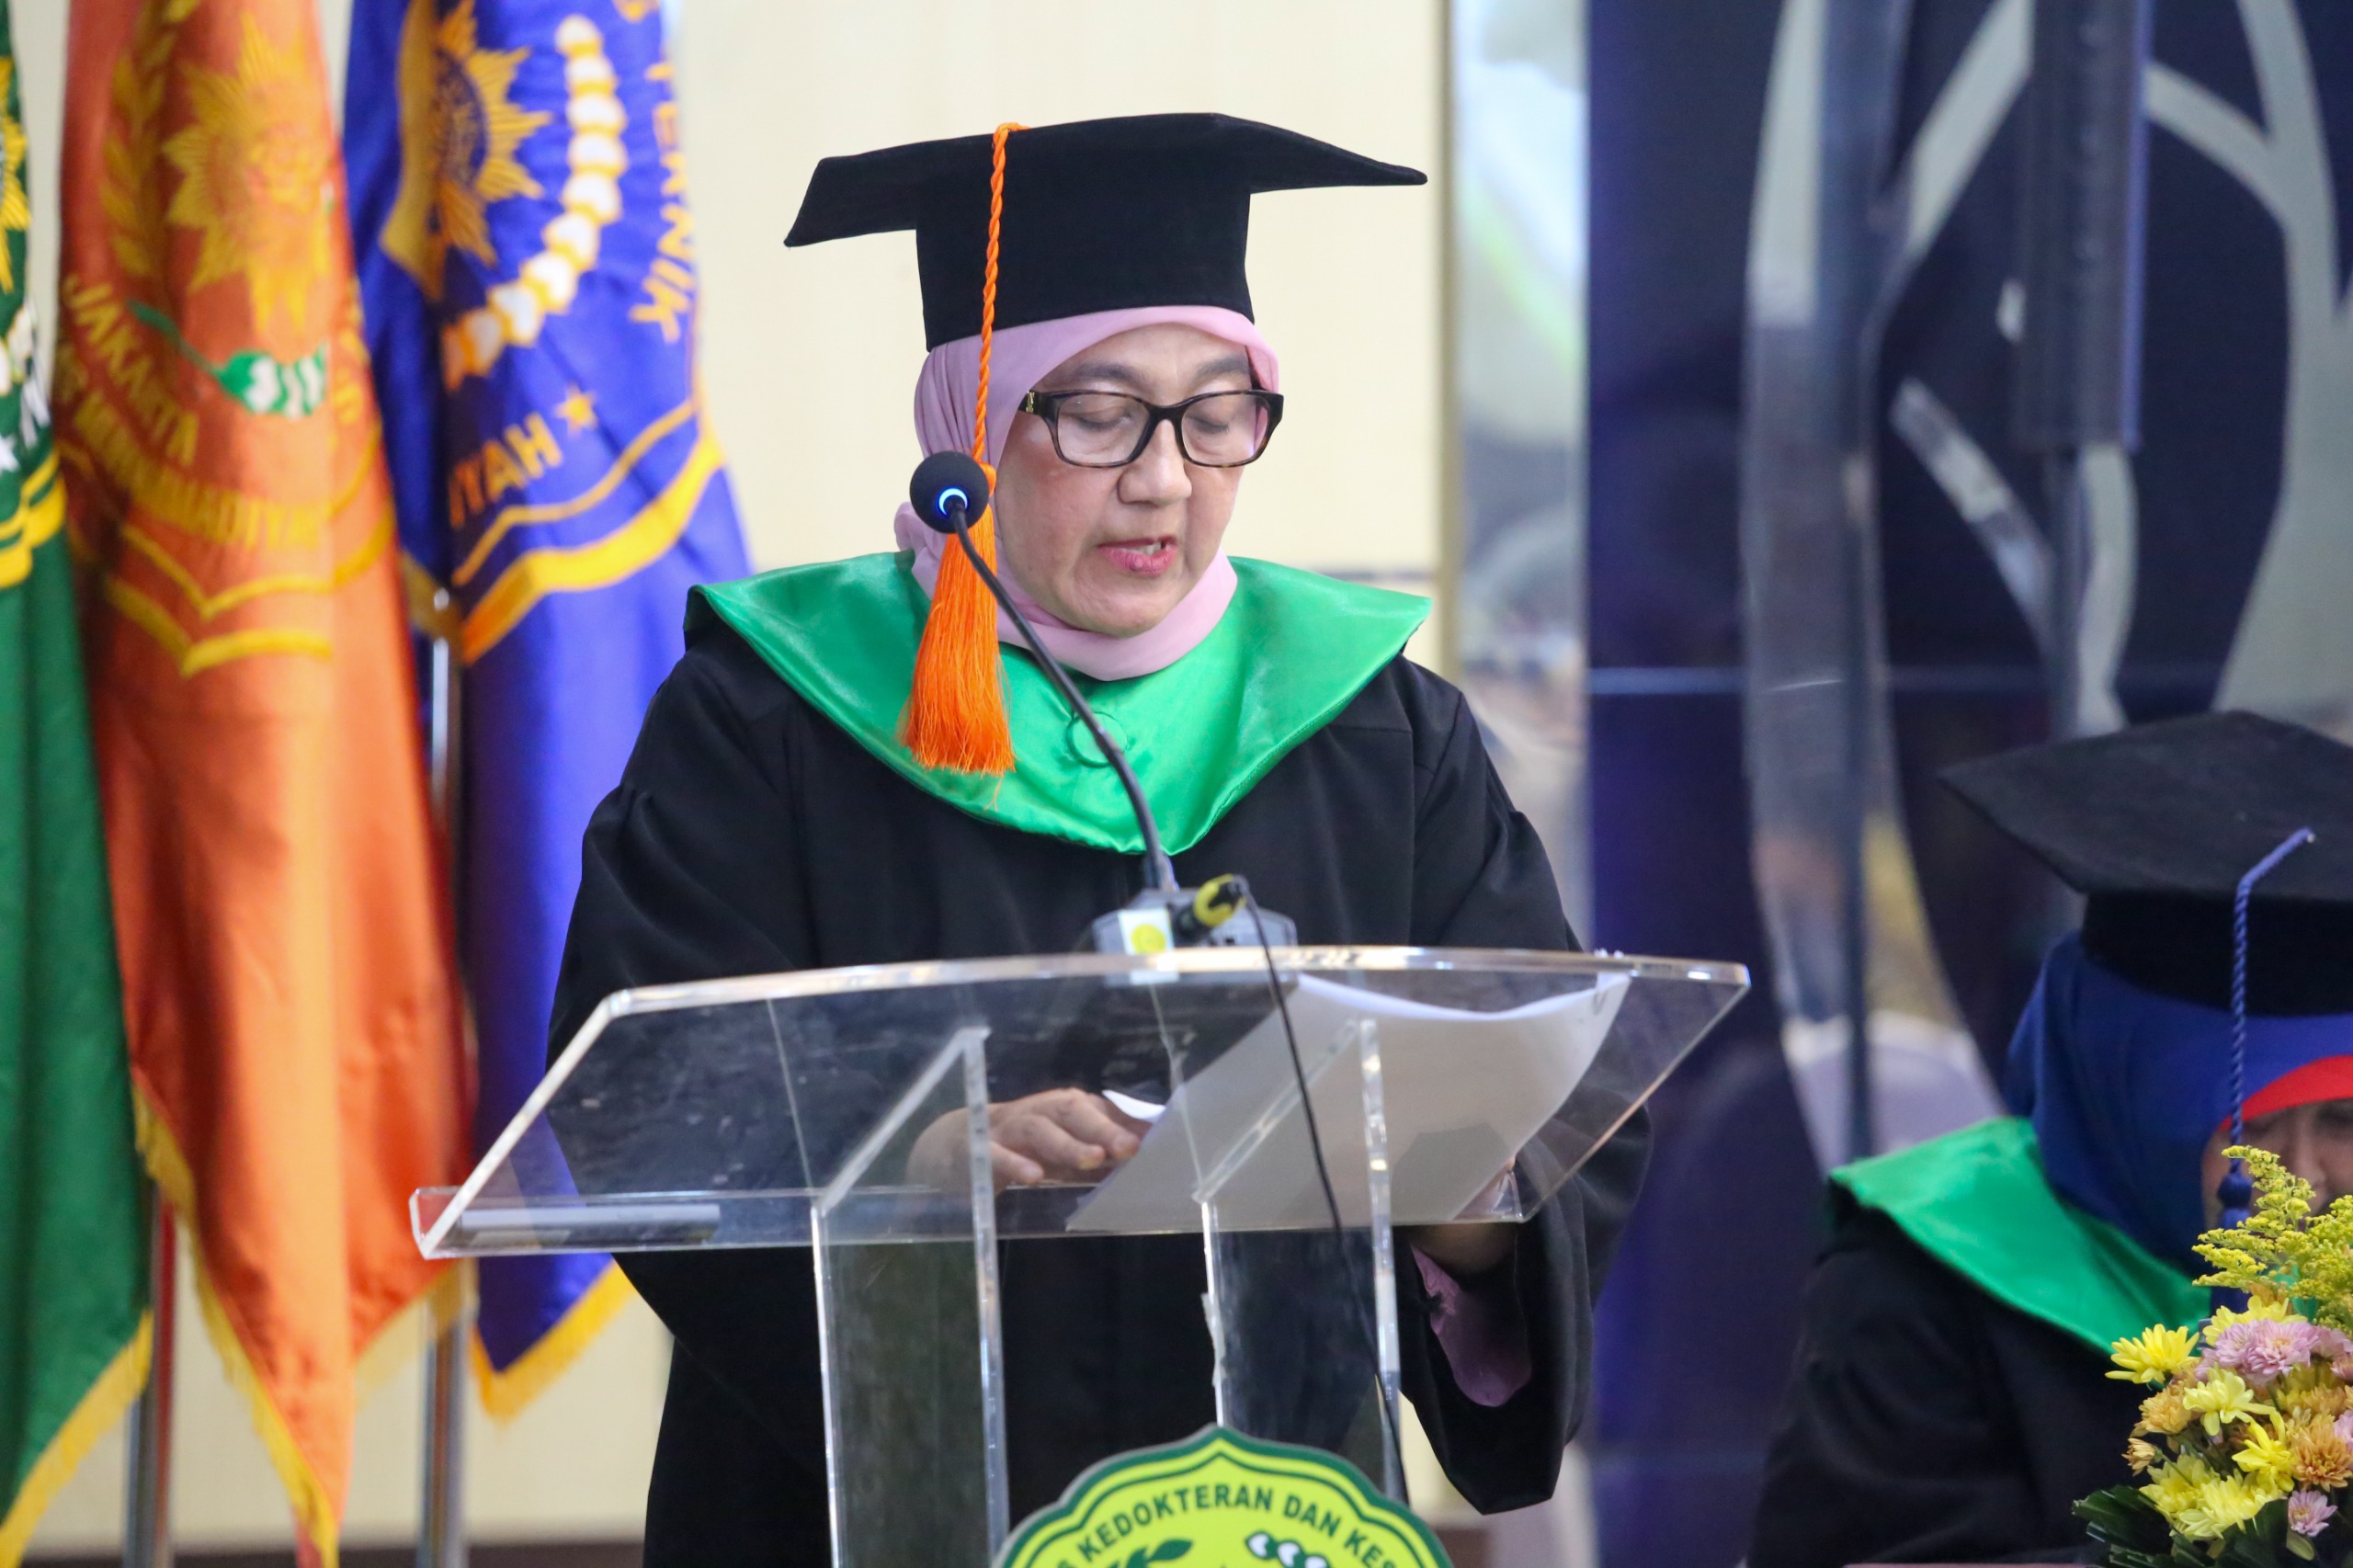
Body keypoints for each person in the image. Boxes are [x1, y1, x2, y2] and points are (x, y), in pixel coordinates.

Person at [547, 114, 1647, 1566]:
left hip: (1280, 1510)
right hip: (864, 1511)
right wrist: (904, 1168)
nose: (1165, 476)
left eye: (1217, 412)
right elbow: (650, 1089)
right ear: (966, 433)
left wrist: (1466, 1202)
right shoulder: (772, 720)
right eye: (1097, 410)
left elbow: (1550, 1084)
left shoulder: (1379, 728)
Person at [1749, 710, 2353, 1568]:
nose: (2301, 1177)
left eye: (2344, 1121)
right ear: (2126, 1098)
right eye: (2245, 1124)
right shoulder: (1927, 1270)